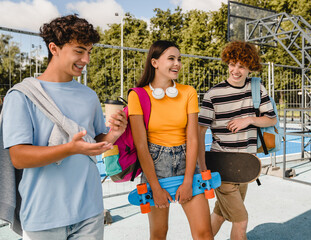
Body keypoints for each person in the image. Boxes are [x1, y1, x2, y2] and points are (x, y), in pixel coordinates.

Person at [1, 14, 127, 239]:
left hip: (90, 212)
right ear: (54, 48)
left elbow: (96, 145)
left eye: (89, 51)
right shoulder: (22, 96)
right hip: (43, 217)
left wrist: (114, 135)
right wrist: (70, 149)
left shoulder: (89, 96)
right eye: (79, 51)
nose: (86, 59)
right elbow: (19, 157)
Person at [128, 40, 213, 240]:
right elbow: (141, 145)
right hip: (155, 166)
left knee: (204, 233)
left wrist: (188, 179)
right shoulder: (137, 96)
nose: (177, 64)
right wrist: (156, 187)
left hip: (187, 163)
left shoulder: (188, 92)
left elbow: (192, 139)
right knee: (159, 234)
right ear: (155, 63)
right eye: (171, 59)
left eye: (179, 59)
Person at [198, 41, 277, 240]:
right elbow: (199, 131)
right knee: (241, 220)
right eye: (232, 64)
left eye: (242, 66)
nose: (236, 70)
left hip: (245, 164)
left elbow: (272, 118)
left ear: (250, 67)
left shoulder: (257, 89)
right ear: (227, 63)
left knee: (221, 213)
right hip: (221, 165)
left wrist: (249, 119)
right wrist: (201, 166)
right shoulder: (213, 94)